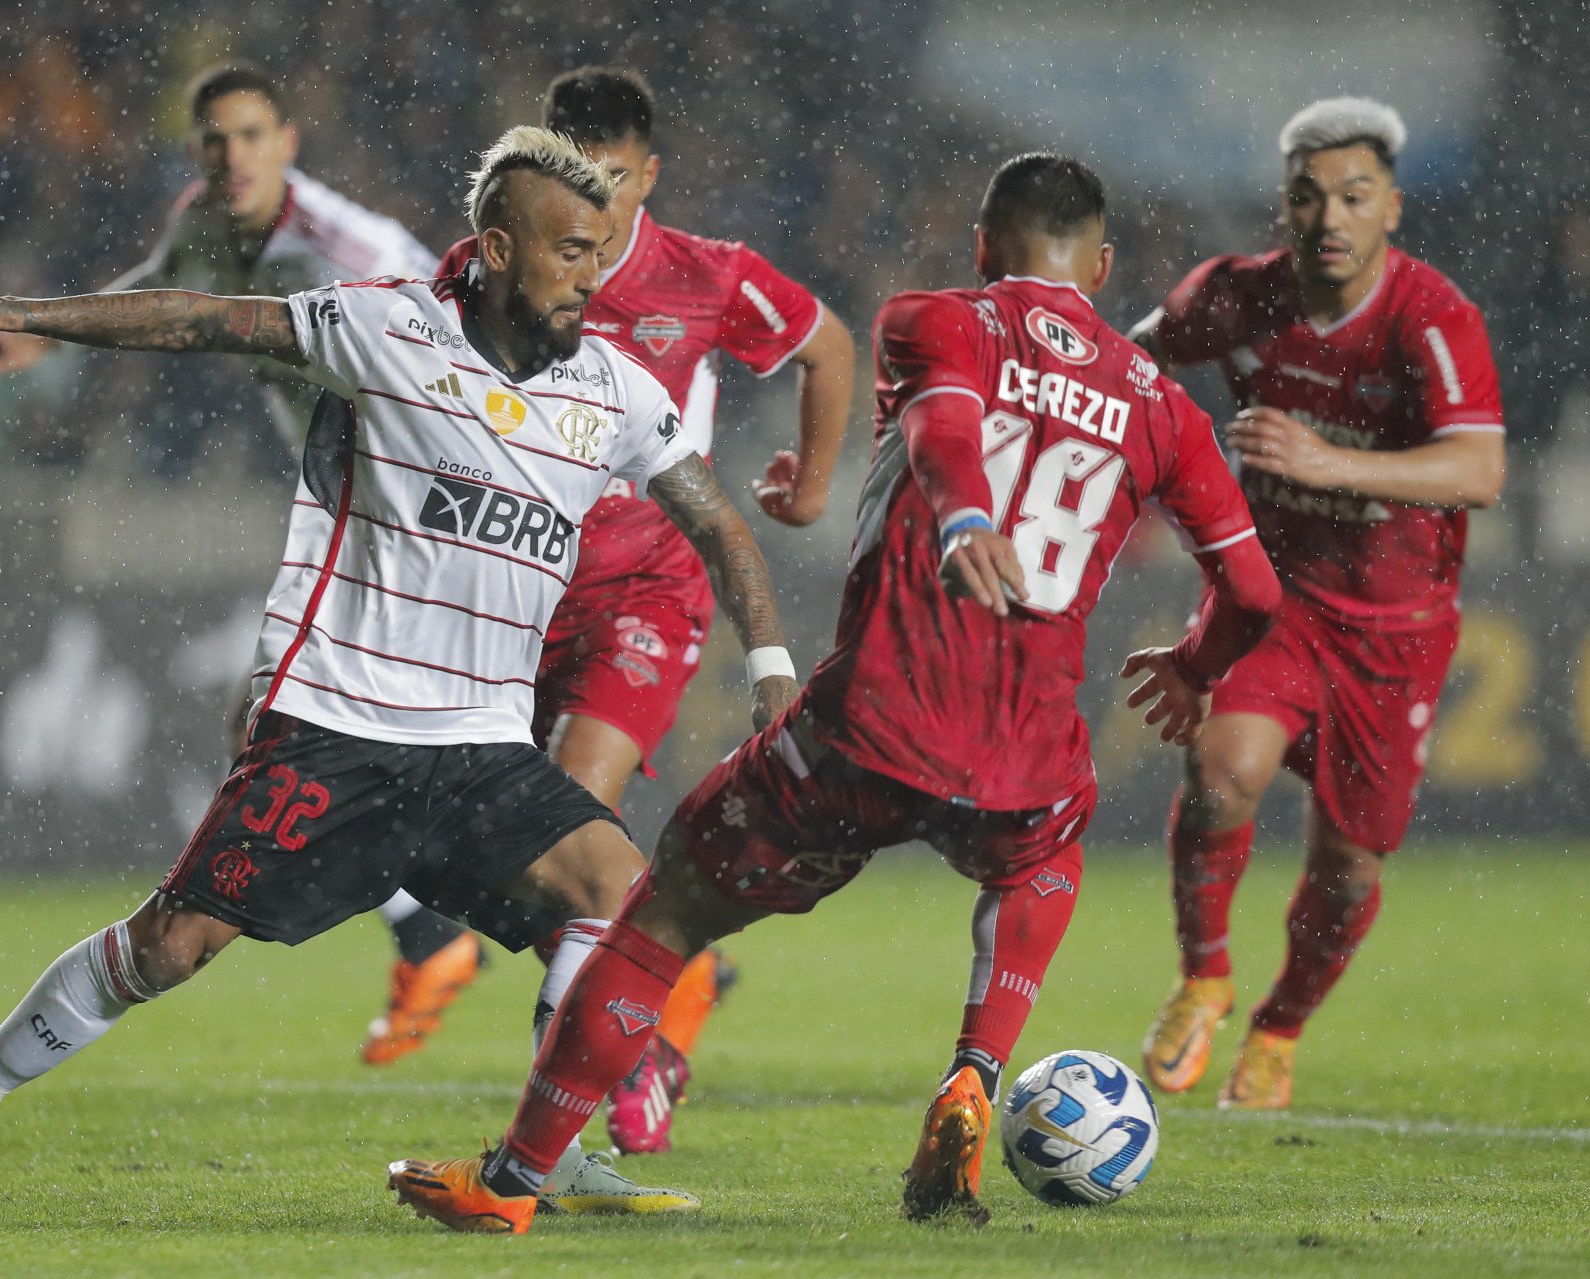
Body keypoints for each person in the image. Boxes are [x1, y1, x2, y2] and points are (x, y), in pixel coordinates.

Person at [0, 127, 801, 1226]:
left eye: (603, 249)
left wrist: (769, 668)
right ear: (495, 246)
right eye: (572, 251)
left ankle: (547, 1150)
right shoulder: (388, 326)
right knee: (169, 947)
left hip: (481, 746)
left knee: (624, 897)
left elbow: (720, 526)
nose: (594, 273)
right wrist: (19, 311)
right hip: (340, 727)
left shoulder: (615, 391)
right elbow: (200, 320)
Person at [387, 152, 1282, 1234]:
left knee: (662, 913)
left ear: (984, 247)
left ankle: (516, 1181)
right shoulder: (1160, 405)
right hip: (1024, 758)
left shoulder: (934, 319)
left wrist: (959, 519)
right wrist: (1195, 664)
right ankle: (973, 1073)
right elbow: (1255, 591)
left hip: (870, 730)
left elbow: (946, 428)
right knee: (1045, 855)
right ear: (1099, 264)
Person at [0, 63, 488, 1068]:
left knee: (307, 731)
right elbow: (158, 292)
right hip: (358, 511)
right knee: (311, 732)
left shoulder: (353, 249)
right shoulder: (206, 221)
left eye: (251, 136)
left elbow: (467, 348)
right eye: (215, 140)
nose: (232, 157)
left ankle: (497, 936)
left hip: (427, 512)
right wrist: (41, 342)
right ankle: (508, 934)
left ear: (289, 140)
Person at [434, 66, 855, 1153]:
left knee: (575, 810)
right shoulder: (492, 268)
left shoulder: (704, 276)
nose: (595, 205)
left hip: (647, 588)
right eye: (572, 179)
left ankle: (555, 1128)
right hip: (513, 589)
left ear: (649, 174)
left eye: (613, 180)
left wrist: (809, 487)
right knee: (514, 865)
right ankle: (666, 983)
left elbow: (829, 345)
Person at [1129, 98, 1505, 1109]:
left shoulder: (1433, 317)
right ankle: (1204, 974)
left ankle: (1280, 1026)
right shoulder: (1234, 298)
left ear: (1393, 207)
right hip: (1279, 600)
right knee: (1221, 771)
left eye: (1354, 194)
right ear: (1284, 206)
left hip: (1396, 630)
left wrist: (1326, 460)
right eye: (1309, 195)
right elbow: (1132, 363)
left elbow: (1480, 467)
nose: (1331, 216)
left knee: (1349, 862)